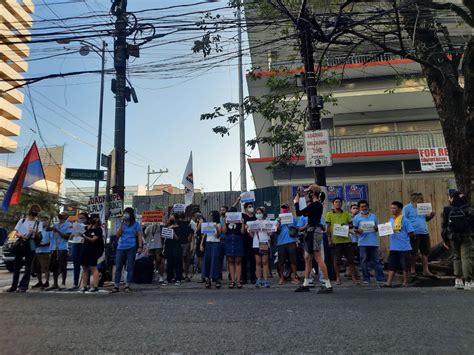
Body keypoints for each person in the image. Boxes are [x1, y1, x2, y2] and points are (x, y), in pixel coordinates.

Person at [294, 184, 333, 293]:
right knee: (307, 258)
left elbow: (299, 212)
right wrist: (299, 196)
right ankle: (306, 283)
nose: (307, 194)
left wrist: (296, 201)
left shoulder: (316, 205)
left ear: (312, 193)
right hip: (310, 231)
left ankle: (328, 285)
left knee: (318, 258)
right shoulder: (314, 205)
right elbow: (305, 215)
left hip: (314, 232)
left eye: (309, 192)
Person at [6, 204, 43, 293]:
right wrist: (21, 235)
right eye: (34, 210)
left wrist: (34, 232)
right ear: (30, 211)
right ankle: (14, 286)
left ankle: (23, 286)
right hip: (21, 241)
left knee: (29, 265)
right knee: (17, 265)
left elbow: (40, 236)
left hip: (32, 242)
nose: (35, 212)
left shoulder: (38, 223)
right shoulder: (22, 221)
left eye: (37, 211)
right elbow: (15, 232)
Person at [441, 191, 473, 290]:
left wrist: (445, 239)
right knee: (466, 257)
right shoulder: (469, 209)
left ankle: (458, 280)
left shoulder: (447, 210)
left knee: (457, 257)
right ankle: (468, 281)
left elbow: (444, 225)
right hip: (466, 236)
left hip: (453, 236)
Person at [402, 192, 437, 278]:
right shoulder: (407, 208)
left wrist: (431, 216)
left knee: (425, 252)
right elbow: (404, 221)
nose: (422, 200)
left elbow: (425, 218)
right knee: (414, 252)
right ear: (414, 199)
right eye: (421, 198)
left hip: (424, 232)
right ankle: (412, 269)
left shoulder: (423, 207)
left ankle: (426, 270)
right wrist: (409, 231)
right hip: (414, 232)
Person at [353, 200, 385, 285]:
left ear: (368, 207)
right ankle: (366, 279)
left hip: (373, 242)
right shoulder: (356, 218)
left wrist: (376, 228)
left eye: (365, 206)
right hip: (362, 242)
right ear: (359, 208)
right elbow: (354, 230)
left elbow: (378, 228)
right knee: (363, 261)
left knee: (377, 261)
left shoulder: (373, 216)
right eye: (362, 207)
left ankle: (380, 278)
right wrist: (358, 230)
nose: (364, 208)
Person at [326, 198, 357, 285]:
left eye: (339, 202)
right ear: (333, 204)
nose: (338, 203)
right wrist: (329, 240)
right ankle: (338, 278)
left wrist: (347, 225)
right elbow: (328, 228)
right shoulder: (329, 214)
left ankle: (354, 278)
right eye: (336, 202)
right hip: (336, 241)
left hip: (347, 240)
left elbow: (351, 226)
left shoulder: (346, 214)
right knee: (337, 261)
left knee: (351, 260)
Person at [112, 207, 143, 293]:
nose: (126, 215)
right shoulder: (121, 223)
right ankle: (116, 285)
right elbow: (117, 235)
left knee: (130, 267)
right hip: (121, 247)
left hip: (131, 247)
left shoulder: (136, 224)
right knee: (118, 266)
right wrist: (122, 225)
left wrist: (140, 246)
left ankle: (127, 285)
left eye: (127, 213)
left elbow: (140, 235)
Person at [385, 201, 415, 288]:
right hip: (394, 247)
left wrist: (403, 235)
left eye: (394, 208)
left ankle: (405, 282)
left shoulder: (405, 220)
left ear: (400, 209)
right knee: (392, 265)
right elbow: (387, 230)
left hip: (404, 247)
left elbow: (411, 232)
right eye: (391, 208)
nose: (392, 210)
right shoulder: (391, 220)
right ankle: (389, 283)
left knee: (405, 265)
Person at [47, 211, 72, 291]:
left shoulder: (69, 225)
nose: (60, 216)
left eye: (63, 214)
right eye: (60, 214)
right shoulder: (56, 225)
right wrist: (49, 220)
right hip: (54, 248)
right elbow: (47, 229)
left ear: (67, 216)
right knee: (54, 267)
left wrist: (57, 230)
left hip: (62, 248)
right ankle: (55, 283)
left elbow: (67, 237)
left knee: (63, 266)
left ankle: (63, 283)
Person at [276, 204, 299, 285]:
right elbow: (276, 231)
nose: (284, 209)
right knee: (281, 261)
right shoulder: (277, 219)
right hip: (281, 242)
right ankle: (281, 277)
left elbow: (298, 227)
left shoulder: (293, 218)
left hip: (291, 241)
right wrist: (278, 222)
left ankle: (294, 276)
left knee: (293, 260)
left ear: (288, 209)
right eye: (282, 208)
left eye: (285, 208)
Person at [80, 215, 104, 293]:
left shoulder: (98, 229)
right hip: (85, 249)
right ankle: (84, 286)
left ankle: (95, 286)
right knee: (85, 268)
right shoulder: (88, 228)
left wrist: (84, 236)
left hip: (93, 250)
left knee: (93, 267)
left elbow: (93, 240)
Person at [223, 206, 246, 289]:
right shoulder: (227, 220)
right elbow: (224, 231)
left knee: (238, 261)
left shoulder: (240, 220)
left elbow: (243, 232)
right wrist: (225, 222)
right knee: (230, 260)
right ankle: (232, 281)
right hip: (229, 239)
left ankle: (238, 280)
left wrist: (243, 223)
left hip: (237, 239)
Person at [248, 207, 271, 288]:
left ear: (263, 213)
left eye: (259, 213)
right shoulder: (253, 223)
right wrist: (249, 230)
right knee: (258, 263)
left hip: (264, 242)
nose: (258, 214)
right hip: (256, 244)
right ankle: (259, 279)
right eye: (257, 213)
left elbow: (270, 233)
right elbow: (251, 235)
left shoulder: (267, 222)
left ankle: (265, 279)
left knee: (265, 262)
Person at [201, 211, 222, 288]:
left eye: (212, 216)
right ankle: (207, 279)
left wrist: (216, 227)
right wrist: (201, 244)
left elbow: (218, 236)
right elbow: (204, 235)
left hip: (215, 243)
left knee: (215, 260)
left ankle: (216, 278)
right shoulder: (207, 224)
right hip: (208, 243)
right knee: (207, 260)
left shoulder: (218, 224)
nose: (210, 217)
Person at [31, 214, 52, 290]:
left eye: (45, 220)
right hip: (37, 251)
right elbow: (32, 240)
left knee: (45, 268)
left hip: (45, 251)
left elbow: (52, 240)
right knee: (37, 268)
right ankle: (39, 281)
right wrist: (33, 247)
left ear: (48, 221)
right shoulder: (37, 230)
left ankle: (47, 282)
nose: (43, 222)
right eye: (42, 220)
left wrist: (45, 244)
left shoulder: (49, 230)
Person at [69, 212, 88, 291]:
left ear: (86, 218)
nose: (81, 219)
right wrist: (73, 231)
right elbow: (71, 236)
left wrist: (83, 233)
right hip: (75, 244)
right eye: (79, 218)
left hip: (84, 244)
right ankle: (75, 283)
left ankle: (86, 284)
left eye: (83, 218)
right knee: (76, 265)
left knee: (85, 265)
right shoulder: (76, 224)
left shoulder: (88, 226)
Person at [163, 215, 183, 286]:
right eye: (170, 218)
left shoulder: (179, 228)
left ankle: (178, 278)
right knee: (169, 263)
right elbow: (164, 238)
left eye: (172, 218)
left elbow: (178, 239)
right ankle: (169, 278)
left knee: (177, 263)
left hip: (176, 247)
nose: (171, 219)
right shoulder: (166, 227)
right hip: (169, 247)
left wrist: (173, 233)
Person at [242, 202, 257, 284]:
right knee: (244, 260)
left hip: (253, 240)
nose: (251, 208)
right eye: (249, 207)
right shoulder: (243, 217)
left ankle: (252, 277)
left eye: (252, 206)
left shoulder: (255, 218)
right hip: (244, 240)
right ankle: (244, 278)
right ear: (245, 208)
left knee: (252, 260)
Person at [181, 213, 195, 282]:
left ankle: (182, 275)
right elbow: (191, 236)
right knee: (185, 260)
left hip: (181, 244)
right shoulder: (188, 226)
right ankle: (185, 275)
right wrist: (191, 245)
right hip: (186, 244)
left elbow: (191, 236)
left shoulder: (178, 225)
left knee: (183, 260)